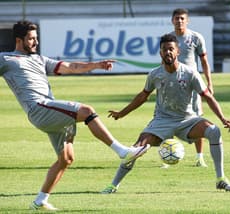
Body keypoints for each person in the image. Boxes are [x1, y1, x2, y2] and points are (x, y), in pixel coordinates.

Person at [0, 20, 150, 211]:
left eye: (36, 38)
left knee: (67, 159)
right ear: (19, 40)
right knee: (87, 111)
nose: (35, 42)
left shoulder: (39, 59)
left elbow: (70, 66)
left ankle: (40, 201)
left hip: (49, 109)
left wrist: (96, 65)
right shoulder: (6, 59)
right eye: (31, 39)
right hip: (39, 108)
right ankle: (123, 152)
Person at [101, 33, 230, 194]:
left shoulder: (190, 73)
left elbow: (207, 96)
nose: (168, 52)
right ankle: (113, 185)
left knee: (214, 131)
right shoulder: (155, 74)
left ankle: (220, 179)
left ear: (178, 51)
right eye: (165, 49)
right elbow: (143, 96)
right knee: (135, 150)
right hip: (161, 121)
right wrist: (122, 113)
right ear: (160, 53)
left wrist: (222, 118)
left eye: (171, 49)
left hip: (188, 120)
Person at [170, 8, 213, 167]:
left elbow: (204, 62)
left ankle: (199, 157)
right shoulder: (169, 39)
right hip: (172, 83)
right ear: (172, 21)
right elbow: (164, 62)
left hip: (192, 84)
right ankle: (169, 155)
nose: (179, 21)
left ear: (187, 21)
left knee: (196, 118)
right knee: (170, 115)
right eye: (176, 18)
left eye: (182, 18)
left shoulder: (196, 37)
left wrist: (209, 83)